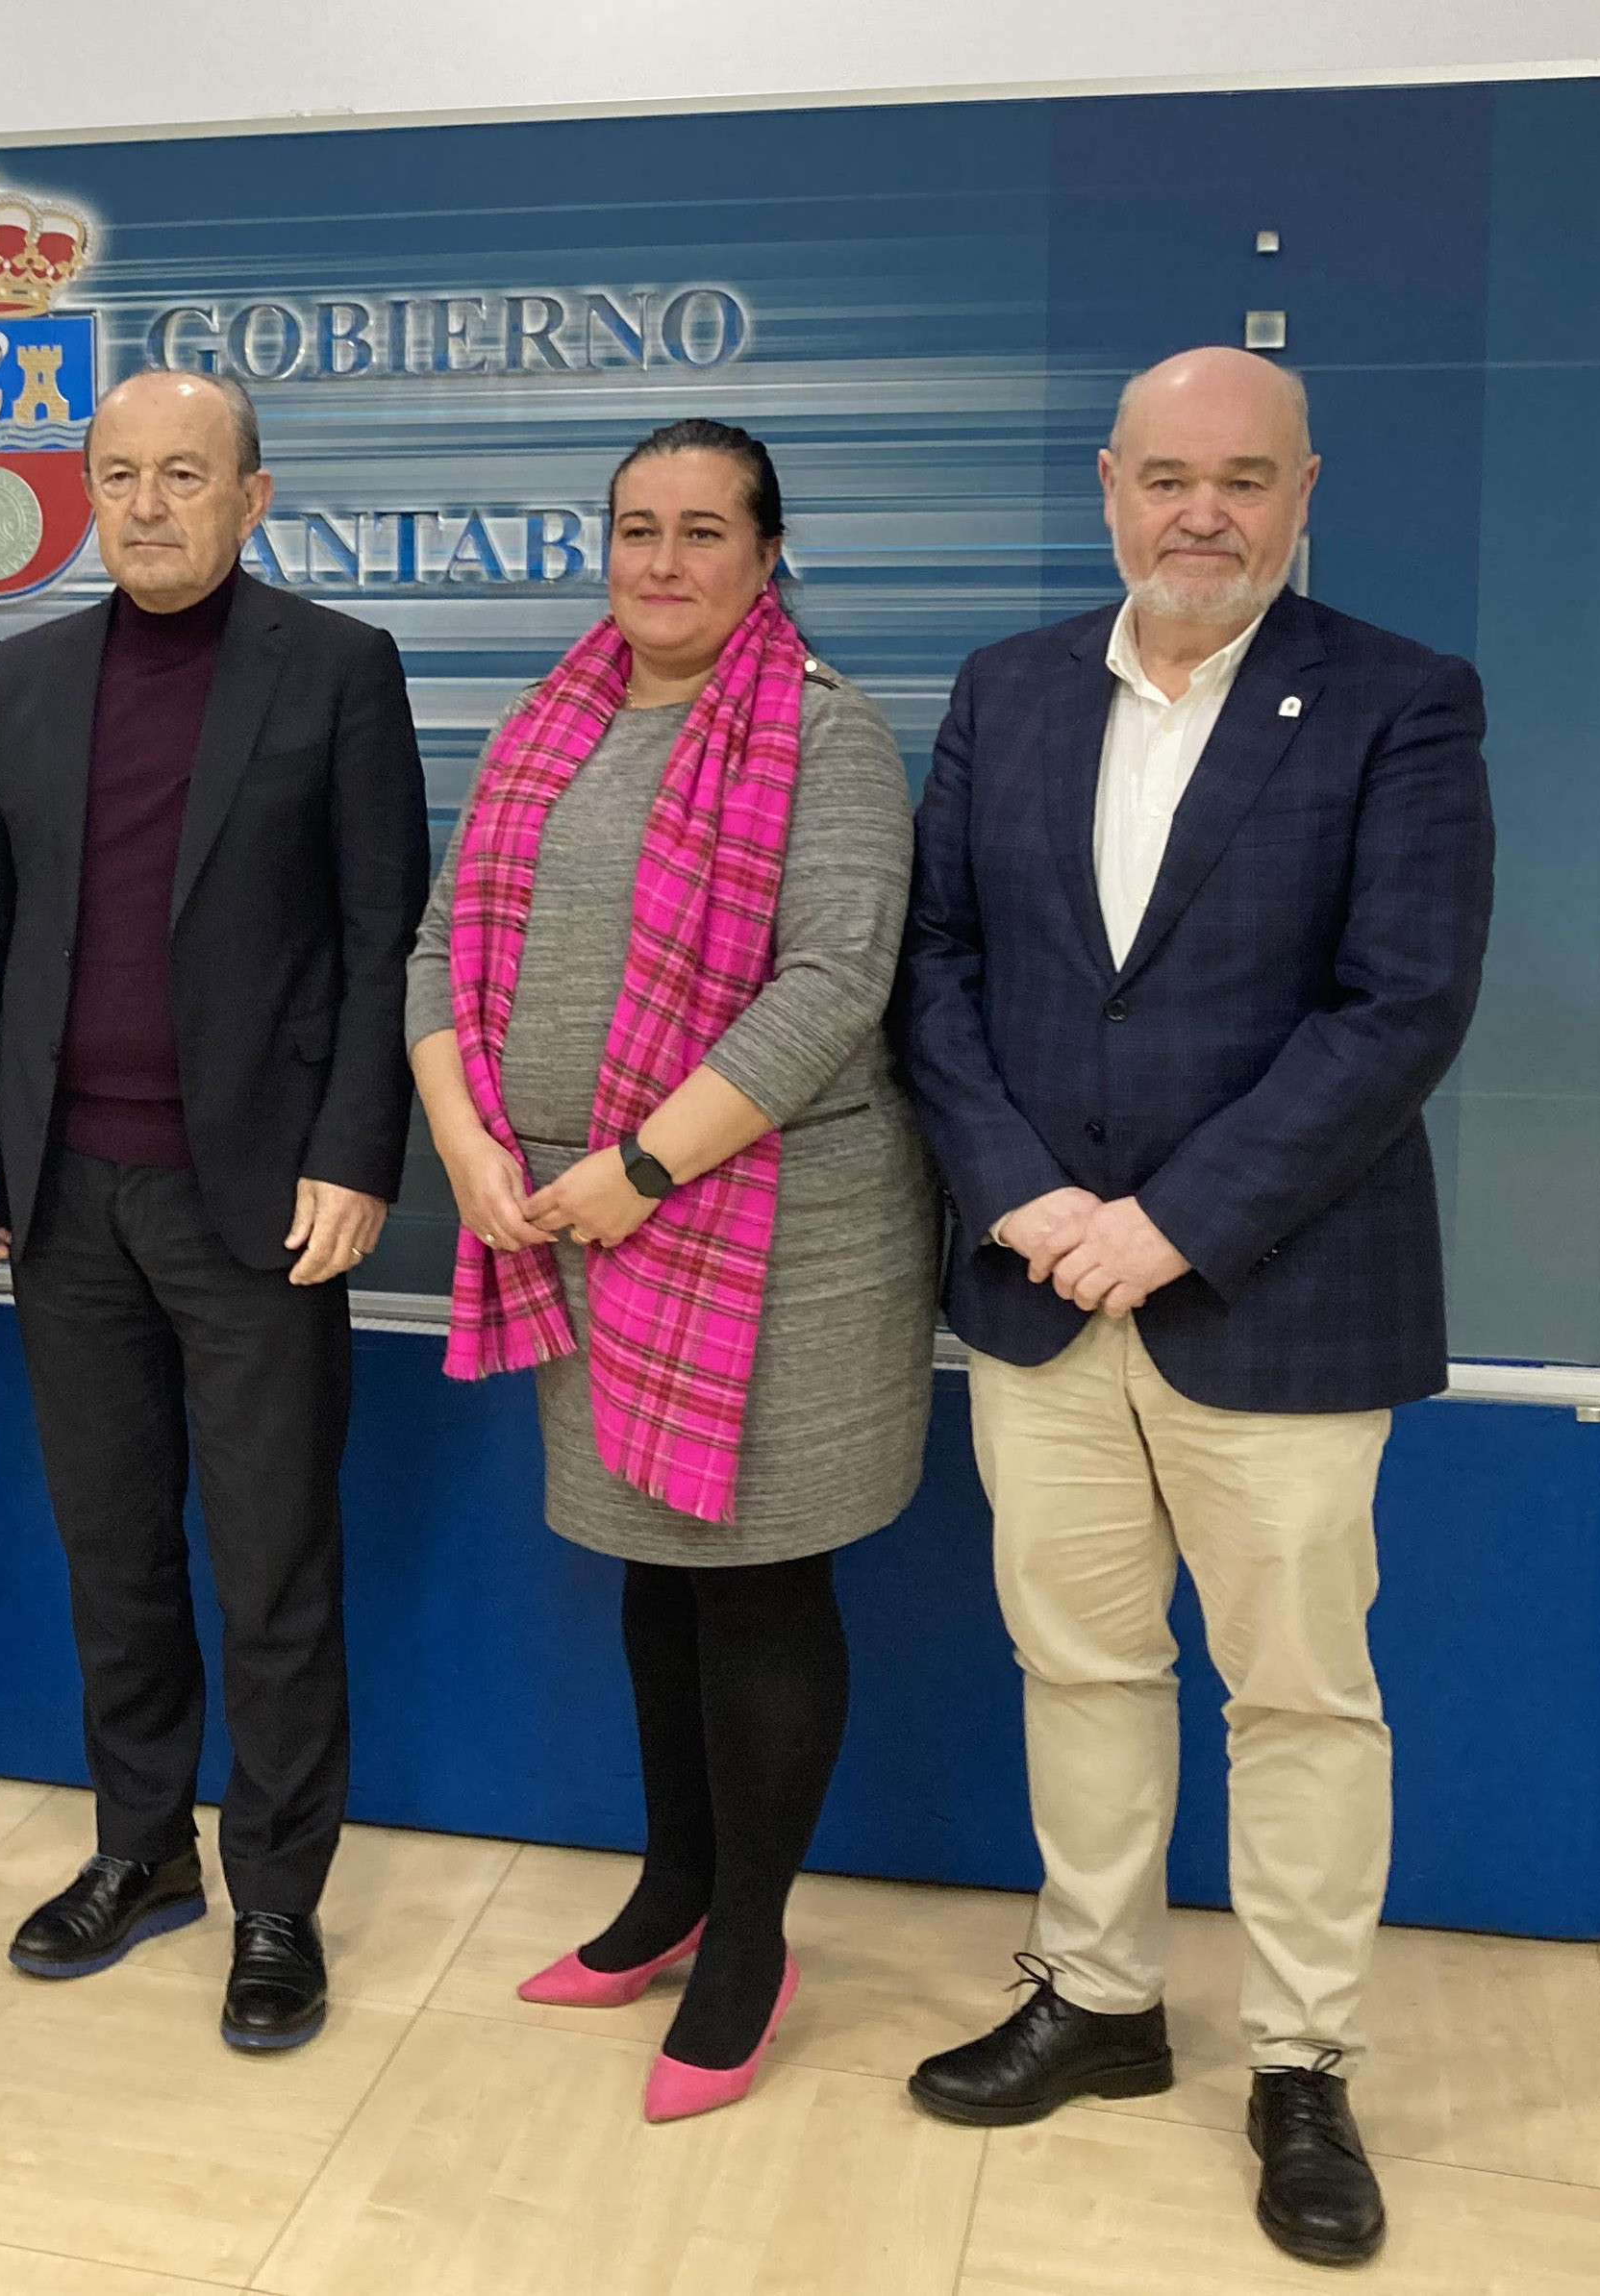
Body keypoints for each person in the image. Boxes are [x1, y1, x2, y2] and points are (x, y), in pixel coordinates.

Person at [893, 346, 1493, 2267]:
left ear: (1305, 489)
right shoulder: (1007, 689)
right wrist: (1026, 1196)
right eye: (1167, 478)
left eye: (1243, 479)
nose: (1202, 514)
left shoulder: (1402, 698)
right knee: (1079, 1665)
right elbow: (942, 975)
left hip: (1280, 1297)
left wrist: (1175, 1219)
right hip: (1042, 1288)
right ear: (1108, 486)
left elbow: (1400, 1006)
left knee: (1302, 1697)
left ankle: (1302, 2066)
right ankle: (1102, 1998)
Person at [408, 420, 936, 2123]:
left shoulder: (827, 736)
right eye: (636, 527)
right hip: (571, 1233)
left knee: (756, 1578)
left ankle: (748, 1944)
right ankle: (671, 1888)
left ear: (767, 553)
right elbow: (433, 949)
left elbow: (830, 986)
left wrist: (634, 1171)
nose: (661, 560)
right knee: (651, 1569)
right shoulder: (548, 729)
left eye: (702, 530)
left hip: (770, 1245)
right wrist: (475, 1153)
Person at [0, 367, 428, 2052]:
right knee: (113, 1556)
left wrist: (358, 1156)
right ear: (85, 491)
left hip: (259, 1205)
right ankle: (139, 1855)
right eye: (118, 474)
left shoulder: (338, 671)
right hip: (66, 1200)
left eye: (184, 475)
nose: (147, 504)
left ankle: (275, 1894)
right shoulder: (23, 674)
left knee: (272, 1564)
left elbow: (382, 943)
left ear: (252, 496)